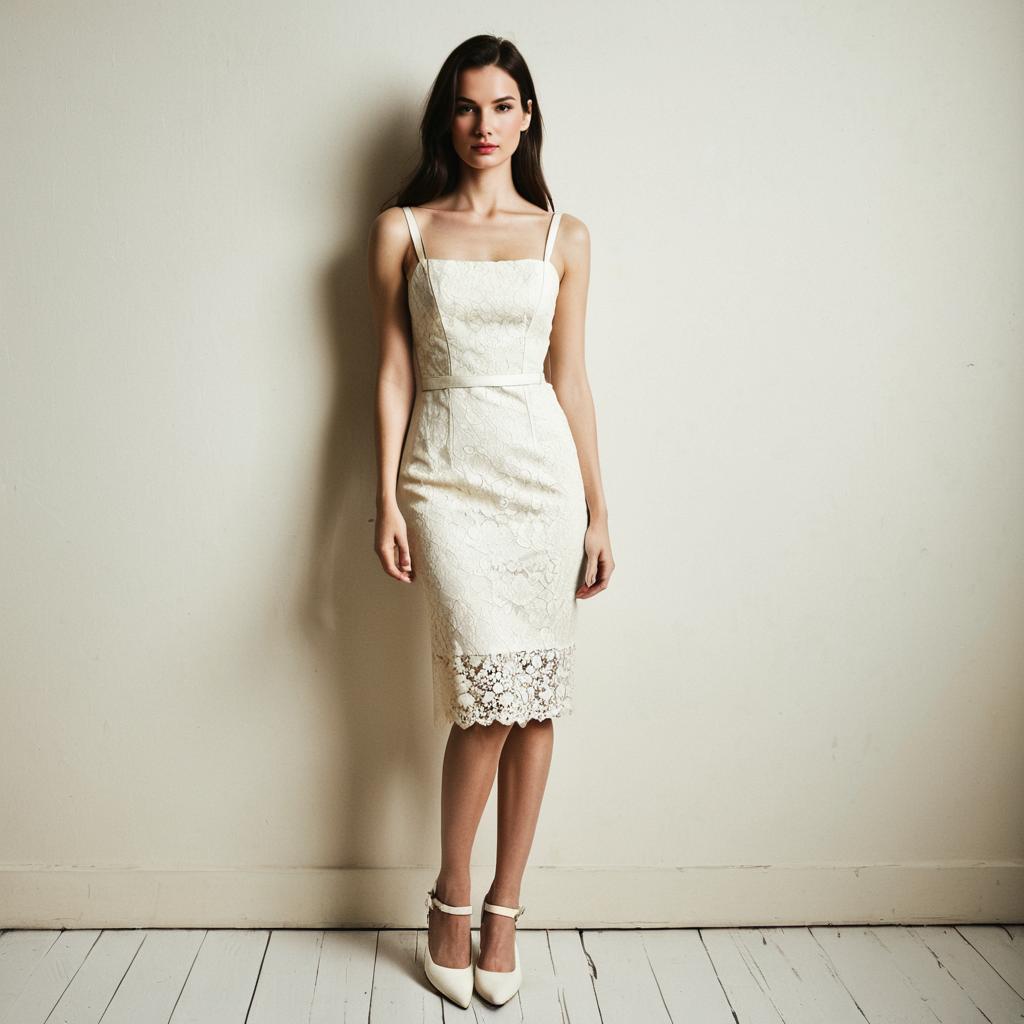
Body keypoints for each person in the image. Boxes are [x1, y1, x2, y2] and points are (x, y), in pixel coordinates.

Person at [366, 33, 614, 1008]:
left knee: (536, 699)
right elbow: (392, 372)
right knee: (484, 699)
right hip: (447, 477)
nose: (483, 125)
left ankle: (507, 905)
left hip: (542, 481)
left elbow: (573, 380)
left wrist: (597, 507)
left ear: (526, 117)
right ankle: (451, 896)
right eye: (467, 107)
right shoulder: (402, 229)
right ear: (447, 117)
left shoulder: (566, 236)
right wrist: (384, 493)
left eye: (501, 105)